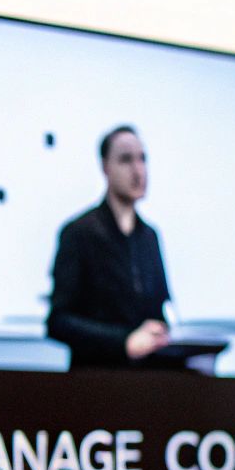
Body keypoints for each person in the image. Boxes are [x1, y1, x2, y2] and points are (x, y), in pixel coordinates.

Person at [46, 125, 175, 367]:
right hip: (96, 382)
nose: (138, 170)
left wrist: (159, 333)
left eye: (142, 159)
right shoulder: (78, 233)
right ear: (106, 167)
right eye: (126, 159)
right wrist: (123, 341)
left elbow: (159, 310)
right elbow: (58, 322)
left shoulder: (149, 236)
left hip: (147, 382)